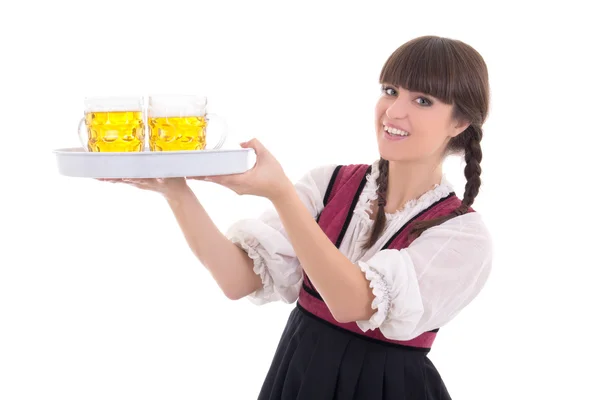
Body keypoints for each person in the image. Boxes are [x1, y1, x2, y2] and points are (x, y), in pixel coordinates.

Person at [101, 35, 493, 399]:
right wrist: (176, 190)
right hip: (300, 372)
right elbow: (237, 281)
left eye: (422, 100)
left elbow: (351, 303)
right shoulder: (330, 184)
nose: (394, 110)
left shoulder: (462, 236)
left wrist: (281, 193)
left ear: (459, 123)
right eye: (390, 91)